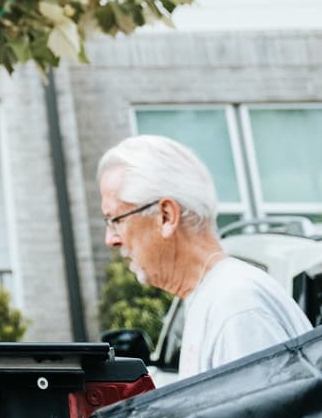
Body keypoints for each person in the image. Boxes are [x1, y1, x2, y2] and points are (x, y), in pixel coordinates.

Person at [98, 134, 310, 377]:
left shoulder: (237, 307)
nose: (111, 239)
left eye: (116, 220)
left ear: (166, 216)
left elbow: (267, 414)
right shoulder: (213, 297)